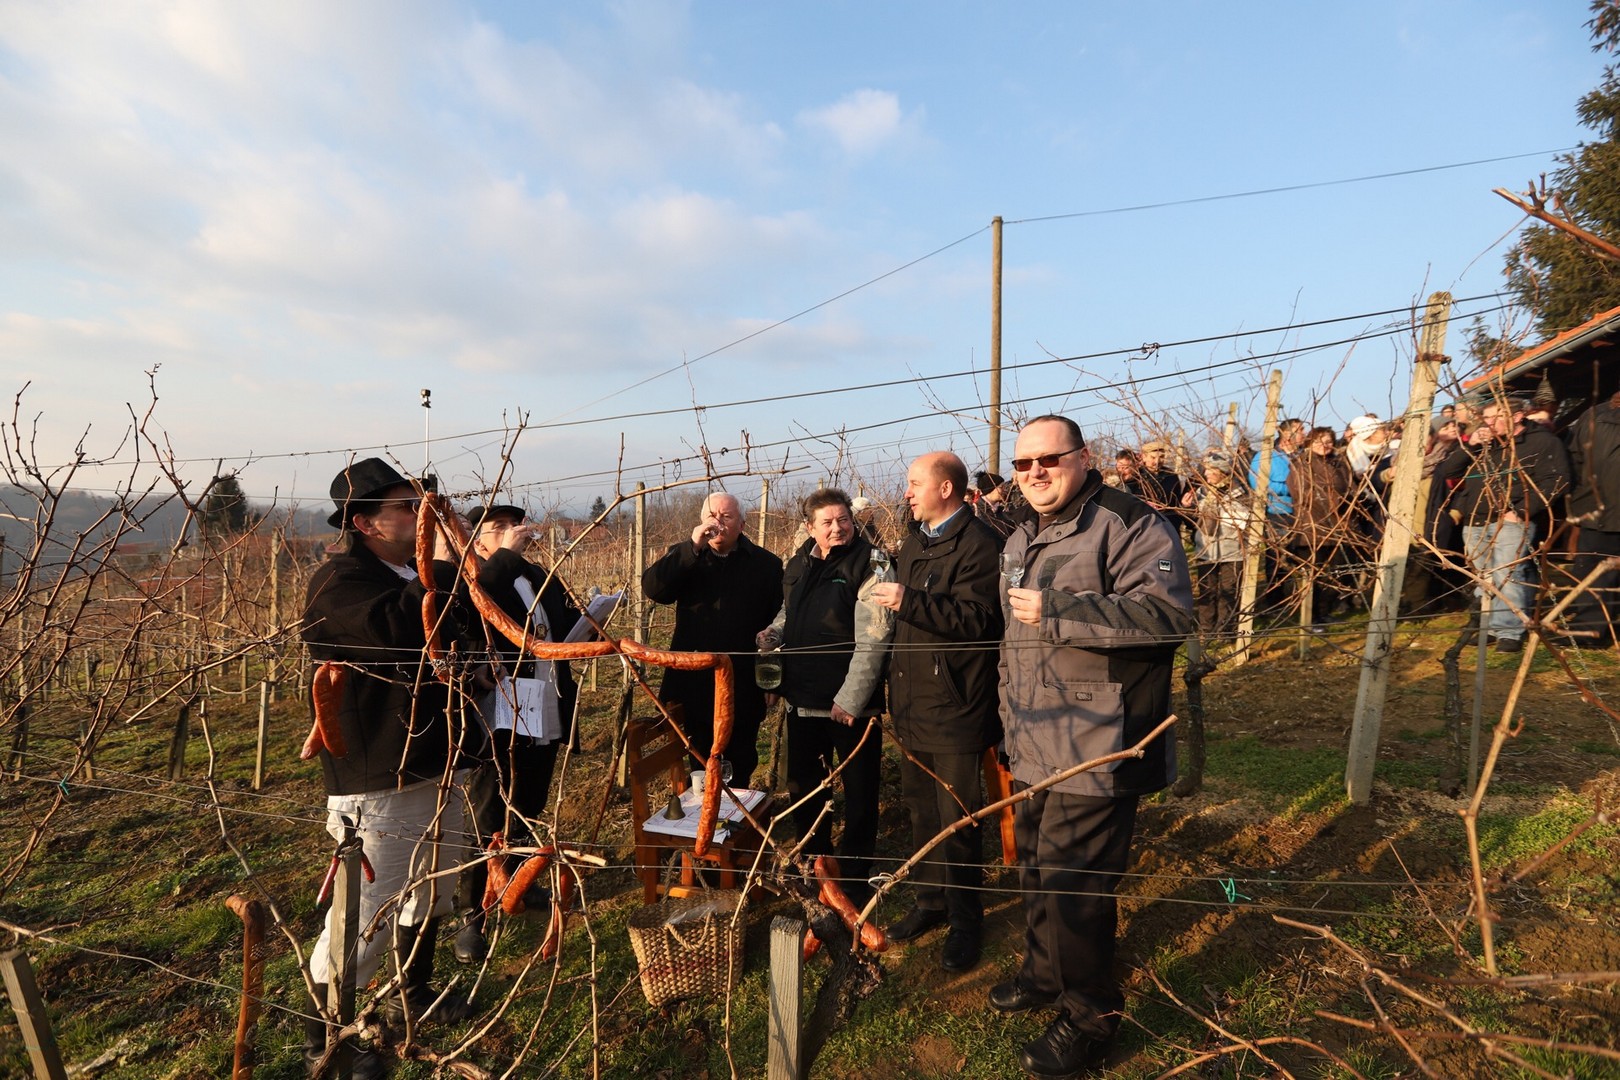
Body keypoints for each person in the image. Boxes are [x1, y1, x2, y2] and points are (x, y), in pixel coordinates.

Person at [993, 416, 1194, 1079]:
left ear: (1084, 458)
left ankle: (1091, 1015)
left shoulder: (1129, 522)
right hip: (1033, 733)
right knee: (1037, 870)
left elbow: (1168, 618)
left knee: (1077, 884)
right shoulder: (1024, 533)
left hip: (1097, 741)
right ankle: (1045, 975)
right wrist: (1007, 721)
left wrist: (1057, 608)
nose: (1034, 473)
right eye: (1022, 465)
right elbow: (1011, 644)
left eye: (1048, 459)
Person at [300, 458, 476, 1077]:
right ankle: (331, 1037)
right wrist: (443, 567)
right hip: (380, 774)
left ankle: (411, 995)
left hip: (437, 758)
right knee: (366, 910)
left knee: (430, 893)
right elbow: (399, 632)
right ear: (367, 522)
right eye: (409, 508)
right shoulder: (338, 582)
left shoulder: (403, 569)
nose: (422, 515)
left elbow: (460, 631)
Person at [869, 452, 1003, 972]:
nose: (906, 493)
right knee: (922, 810)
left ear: (946, 489)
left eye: (913, 484)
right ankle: (930, 903)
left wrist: (908, 601)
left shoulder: (979, 545)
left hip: (956, 707)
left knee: (958, 820)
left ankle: (968, 922)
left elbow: (979, 621)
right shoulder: (914, 540)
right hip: (911, 705)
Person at [452, 504, 581, 966]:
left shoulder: (535, 575)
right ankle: (470, 915)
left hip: (543, 703)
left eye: (514, 525)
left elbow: (561, 625)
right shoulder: (473, 578)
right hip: (499, 711)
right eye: (498, 528)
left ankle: (517, 883)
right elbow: (464, 623)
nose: (512, 534)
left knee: (528, 802)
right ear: (478, 540)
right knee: (488, 812)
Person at [759, 489, 893, 905]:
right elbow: (790, 610)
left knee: (859, 790)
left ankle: (854, 874)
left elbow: (875, 637)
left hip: (848, 706)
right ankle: (815, 863)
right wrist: (775, 633)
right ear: (809, 527)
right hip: (802, 698)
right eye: (828, 522)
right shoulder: (800, 562)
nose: (837, 528)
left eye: (843, 520)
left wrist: (851, 699)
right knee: (806, 788)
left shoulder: (871, 564)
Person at [642, 492, 784, 786]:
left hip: (743, 683)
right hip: (694, 683)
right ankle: (704, 823)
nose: (717, 522)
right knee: (699, 762)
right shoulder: (685, 558)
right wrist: (691, 548)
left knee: (741, 758)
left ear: (742, 524)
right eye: (711, 516)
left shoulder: (766, 565)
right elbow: (655, 589)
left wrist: (772, 678)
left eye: (726, 516)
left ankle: (735, 821)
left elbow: (778, 626)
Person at [1449, 397, 1573, 653]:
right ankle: (1489, 627)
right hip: (1476, 520)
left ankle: (1509, 631)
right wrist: (1471, 445)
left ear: (1516, 417)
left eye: (1495, 417)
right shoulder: (1483, 444)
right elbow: (1447, 471)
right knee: (1484, 577)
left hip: (1511, 521)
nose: (1489, 423)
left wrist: (1522, 511)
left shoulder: (1542, 442)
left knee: (1508, 576)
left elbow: (1558, 480)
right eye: (1486, 418)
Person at [1561, 392, 1620, 645]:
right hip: (1599, 510)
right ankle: (1590, 632)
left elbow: (1573, 458)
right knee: (1595, 573)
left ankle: (1591, 631)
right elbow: (1574, 458)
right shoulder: (1594, 416)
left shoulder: (1593, 415)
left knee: (1595, 573)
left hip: (1597, 509)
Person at [1289, 427, 1355, 626]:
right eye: (1319, 441)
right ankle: (1311, 617)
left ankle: (1325, 612)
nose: (1324, 445)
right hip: (1311, 526)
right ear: (1309, 443)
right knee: (1313, 575)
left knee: (1335, 573)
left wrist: (1349, 499)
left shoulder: (1339, 462)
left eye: (1328, 441)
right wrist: (1330, 498)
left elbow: (1350, 485)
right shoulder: (1300, 464)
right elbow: (1300, 493)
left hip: (1338, 524)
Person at [1191, 450, 1253, 639]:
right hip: (1206, 550)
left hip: (1232, 550)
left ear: (1222, 471)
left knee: (1229, 590)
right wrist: (1188, 508)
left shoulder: (1240, 492)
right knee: (1206, 591)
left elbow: (1246, 520)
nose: (1207, 474)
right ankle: (1206, 630)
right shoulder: (1202, 492)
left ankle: (1225, 630)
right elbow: (1194, 522)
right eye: (1206, 471)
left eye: (1211, 471)